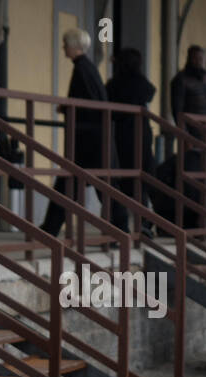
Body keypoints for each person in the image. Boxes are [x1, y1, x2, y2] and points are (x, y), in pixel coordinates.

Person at [39, 28, 130, 237]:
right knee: (79, 184)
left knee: (97, 186)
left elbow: (88, 103)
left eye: (65, 44)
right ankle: (51, 227)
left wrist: (69, 108)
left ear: (74, 46)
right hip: (92, 138)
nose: (63, 48)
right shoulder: (87, 68)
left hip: (89, 140)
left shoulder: (82, 69)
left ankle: (120, 230)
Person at [170, 45, 206, 229]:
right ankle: (193, 218)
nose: (199, 62)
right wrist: (186, 136)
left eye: (202, 59)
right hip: (191, 136)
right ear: (189, 59)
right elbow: (177, 110)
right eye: (196, 59)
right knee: (193, 177)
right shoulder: (180, 80)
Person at [106, 47, 157, 226]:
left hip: (122, 135)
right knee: (140, 178)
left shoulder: (115, 83)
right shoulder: (139, 82)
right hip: (141, 133)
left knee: (125, 178)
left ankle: (128, 223)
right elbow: (151, 91)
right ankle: (144, 222)